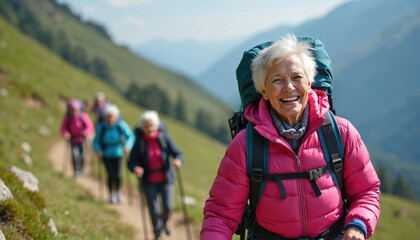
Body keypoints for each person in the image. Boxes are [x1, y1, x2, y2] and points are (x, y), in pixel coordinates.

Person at [201, 35, 380, 240]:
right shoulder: (244, 146)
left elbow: (366, 191)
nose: (289, 87)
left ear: (310, 82)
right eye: (277, 80)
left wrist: (358, 225)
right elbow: (221, 214)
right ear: (264, 91)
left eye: (297, 77)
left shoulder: (342, 133)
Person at [128, 110, 183, 240]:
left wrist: (178, 160)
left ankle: (165, 222)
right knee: (153, 210)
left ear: (156, 125)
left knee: (168, 207)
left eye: (151, 125)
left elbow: (177, 153)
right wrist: (135, 168)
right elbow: (131, 161)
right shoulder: (139, 141)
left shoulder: (164, 138)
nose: (149, 128)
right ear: (142, 127)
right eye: (146, 126)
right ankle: (157, 233)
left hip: (166, 179)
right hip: (149, 180)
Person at [93, 104, 135, 203]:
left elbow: (130, 136)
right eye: (108, 116)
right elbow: (96, 141)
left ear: (116, 116)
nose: (110, 119)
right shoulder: (101, 126)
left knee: (118, 174)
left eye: (112, 116)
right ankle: (112, 194)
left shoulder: (121, 124)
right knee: (110, 174)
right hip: (106, 153)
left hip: (119, 153)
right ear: (105, 117)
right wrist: (98, 150)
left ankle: (118, 192)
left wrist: (128, 146)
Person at [61, 99, 94, 177]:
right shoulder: (67, 117)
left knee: (82, 156)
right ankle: (76, 171)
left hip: (82, 140)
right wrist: (66, 134)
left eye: (76, 110)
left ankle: (81, 169)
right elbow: (63, 128)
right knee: (75, 155)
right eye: (72, 110)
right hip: (72, 139)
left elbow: (90, 126)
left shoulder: (83, 116)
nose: (74, 112)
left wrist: (86, 132)